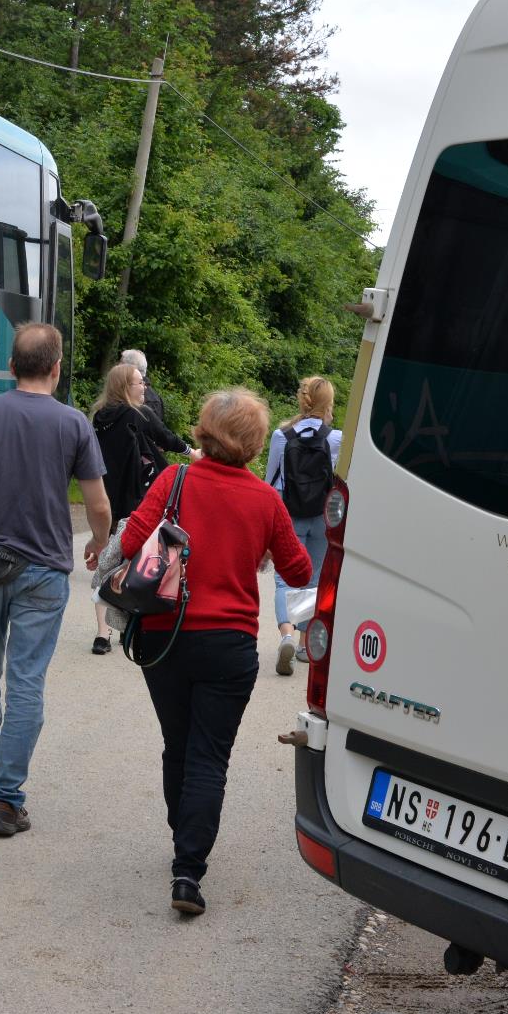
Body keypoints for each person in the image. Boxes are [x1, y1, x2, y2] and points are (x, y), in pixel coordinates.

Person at [120, 389, 312, 916]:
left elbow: (135, 537)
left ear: (204, 430)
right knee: (210, 756)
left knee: (177, 745)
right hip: (229, 646)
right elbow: (299, 572)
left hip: (163, 634)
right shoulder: (265, 500)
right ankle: (188, 871)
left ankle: (181, 835)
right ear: (253, 445)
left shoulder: (174, 479)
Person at [0, 323, 111, 838]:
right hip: (44, 570)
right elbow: (97, 503)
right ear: (56, 368)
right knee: (27, 680)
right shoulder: (74, 423)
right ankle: (6, 802)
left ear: (11, 368)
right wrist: (100, 543)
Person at [89, 361, 190, 655]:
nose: (144, 386)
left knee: (106, 561)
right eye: (138, 382)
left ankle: (101, 633)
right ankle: (127, 627)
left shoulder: (99, 417)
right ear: (125, 387)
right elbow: (166, 437)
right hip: (135, 496)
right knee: (132, 560)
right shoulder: (137, 414)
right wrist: (191, 451)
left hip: (107, 496)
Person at [264, 377, 341, 675]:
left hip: (288, 510)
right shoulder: (336, 438)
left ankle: (285, 634)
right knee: (315, 577)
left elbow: (271, 479)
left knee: (285, 577)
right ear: (328, 404)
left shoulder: (281, 436)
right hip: (322, 513)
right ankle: (305, 644)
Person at [120, 347, 170, 431]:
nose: (117, 368)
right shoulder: (153, 398)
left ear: (130, 369)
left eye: (121, 365)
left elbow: (152, 434)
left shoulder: (149, 400)